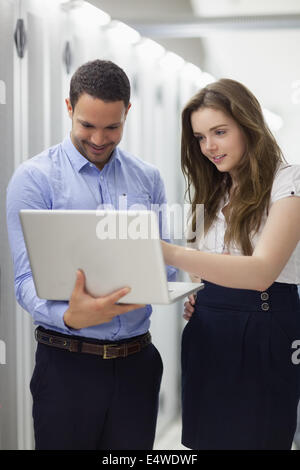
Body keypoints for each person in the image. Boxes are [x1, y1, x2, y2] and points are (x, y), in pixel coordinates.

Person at [6, 59, 176, 450]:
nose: (99, 139)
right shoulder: (34, 179)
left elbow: (163, 263)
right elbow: (23, 280)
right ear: (69, 108)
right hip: (67, 367)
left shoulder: (147, 178)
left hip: (138, 364)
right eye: (87, 125)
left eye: (112, 127)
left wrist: (177, 283)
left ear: (127, 114)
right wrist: (68, 315)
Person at [161, 78, 300, 450]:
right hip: (208, 333)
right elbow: (205, 266)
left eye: (219, 132)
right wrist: (201, 294)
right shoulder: (215, 188)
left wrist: (168, 252)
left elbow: (260, 272)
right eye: (200, 137)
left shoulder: (288, 182)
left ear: (249, 125)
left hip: (264, 330)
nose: (209, 147)